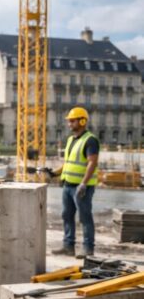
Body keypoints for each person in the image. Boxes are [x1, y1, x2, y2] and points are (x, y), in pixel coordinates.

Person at [50, 107, 99, 259]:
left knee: (85, 217)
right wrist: (55, 173)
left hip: (82, 187)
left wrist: (83, 184)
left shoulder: (90, 140)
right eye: (69, 121)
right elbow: (68, 163)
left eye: (72, 121)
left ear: (82, 121)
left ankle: (88, 248)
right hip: (68, 185)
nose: (69, 124)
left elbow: (92, 163)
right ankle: (68, 246)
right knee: (67, 215)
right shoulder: (71, 139)